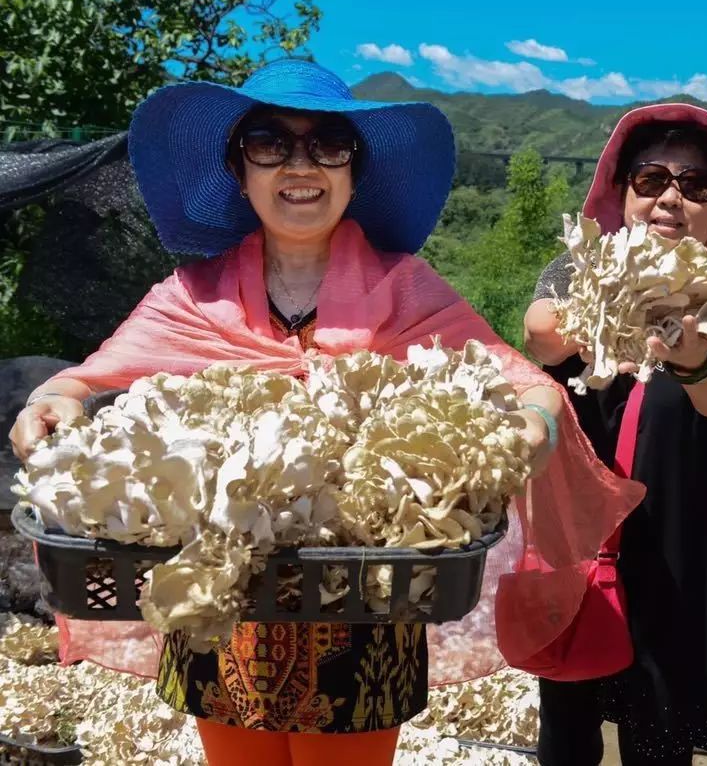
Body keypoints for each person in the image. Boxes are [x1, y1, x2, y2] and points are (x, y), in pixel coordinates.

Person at [8, 59, 643, 766]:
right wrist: (50, 403)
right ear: (239, 170)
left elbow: (528, 384)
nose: (299, 164)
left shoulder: (406, 290)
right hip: (224, 605)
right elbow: (85, 380)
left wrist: (532, 426)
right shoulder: (196, 296)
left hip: (364, 604)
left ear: (353, 171)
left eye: (327, 145)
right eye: (269, 143)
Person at [523, 103, 707, 765]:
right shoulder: (573, 274)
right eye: (652, 179)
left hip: (677, 551)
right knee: (566, 732)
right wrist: (623, 300)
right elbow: (540, 331)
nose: (672, 197)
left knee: (658, 738)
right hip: (577, 547)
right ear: (624, 195)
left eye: (695, 186)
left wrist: (690, 352)